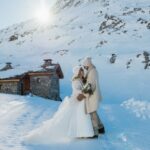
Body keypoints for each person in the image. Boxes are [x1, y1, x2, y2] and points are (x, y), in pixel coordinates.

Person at [23, 66, 94, 145]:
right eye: (81, 71)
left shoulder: (80, 80)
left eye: (82, 71)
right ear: (77, 72)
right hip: (77, 99)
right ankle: (79, 132)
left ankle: (82, 132)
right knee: (74, 116)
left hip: (80, 99)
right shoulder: (76, 80)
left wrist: (86, 90)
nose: (82, 72)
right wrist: (84, 90)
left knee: (79, 116)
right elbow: (77, 90)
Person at [77, 57, 105, 138]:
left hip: (92, 95)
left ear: (88, 65)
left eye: (85, 66)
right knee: (93, 111)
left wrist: (83, 95)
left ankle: (95, 132)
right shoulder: (92, 71)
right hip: (92, 94)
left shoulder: (92, 72)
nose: (84, 68)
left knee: (91, 112)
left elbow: (90, 85)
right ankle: (100, 128)